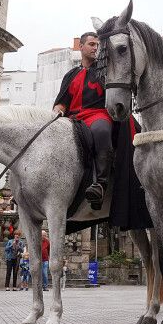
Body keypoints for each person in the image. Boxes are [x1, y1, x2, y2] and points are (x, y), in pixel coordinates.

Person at [53, 32, 118, 208]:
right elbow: (61, 103)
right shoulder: (70, 75)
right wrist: (57, 112)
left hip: (97, 114)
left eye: (97, 44)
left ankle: (101, 185)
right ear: (81, 47)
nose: (95, 47)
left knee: (102, 131)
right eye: (91, 44)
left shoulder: (105, 70)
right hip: (72, 118)